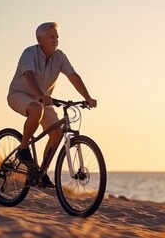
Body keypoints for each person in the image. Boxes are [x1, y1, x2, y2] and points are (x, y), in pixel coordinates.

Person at [7, 22, 97, 188]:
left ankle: (41, 173)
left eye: (57, 36)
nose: (56, 40)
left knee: (57, 132)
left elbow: (73, 76)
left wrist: (87, 97)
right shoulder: (29, 53)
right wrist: (41, 95)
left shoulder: (60, 57)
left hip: (43, 100)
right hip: (20, 94)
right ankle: (23, 149)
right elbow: (29, 75)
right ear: (40, 39)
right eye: (51, 36)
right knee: (36, 109)